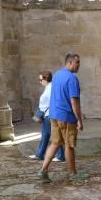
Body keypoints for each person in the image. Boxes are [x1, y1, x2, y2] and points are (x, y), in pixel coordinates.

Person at [38, 53, 87, 182]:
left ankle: (43, 170)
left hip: (54, 115)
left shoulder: (58, 75)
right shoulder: (72, 79)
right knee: (69, 145)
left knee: (55, 143)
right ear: (70, 62)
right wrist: (79, 120)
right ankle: (73, 173)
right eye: (77, 63)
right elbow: (74, 102)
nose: (79, 66)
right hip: (66, 117)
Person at [28, 71, 64, 163]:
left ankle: (59, 156)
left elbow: (45, 103)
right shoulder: (51, 87)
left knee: (51, 136)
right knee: (48, 135)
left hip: (49, 115)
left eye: (40, 80)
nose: (40, 82)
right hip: (52, 114)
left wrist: (39, 113)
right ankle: (41, 154)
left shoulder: (49, 89)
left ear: (45, 79)